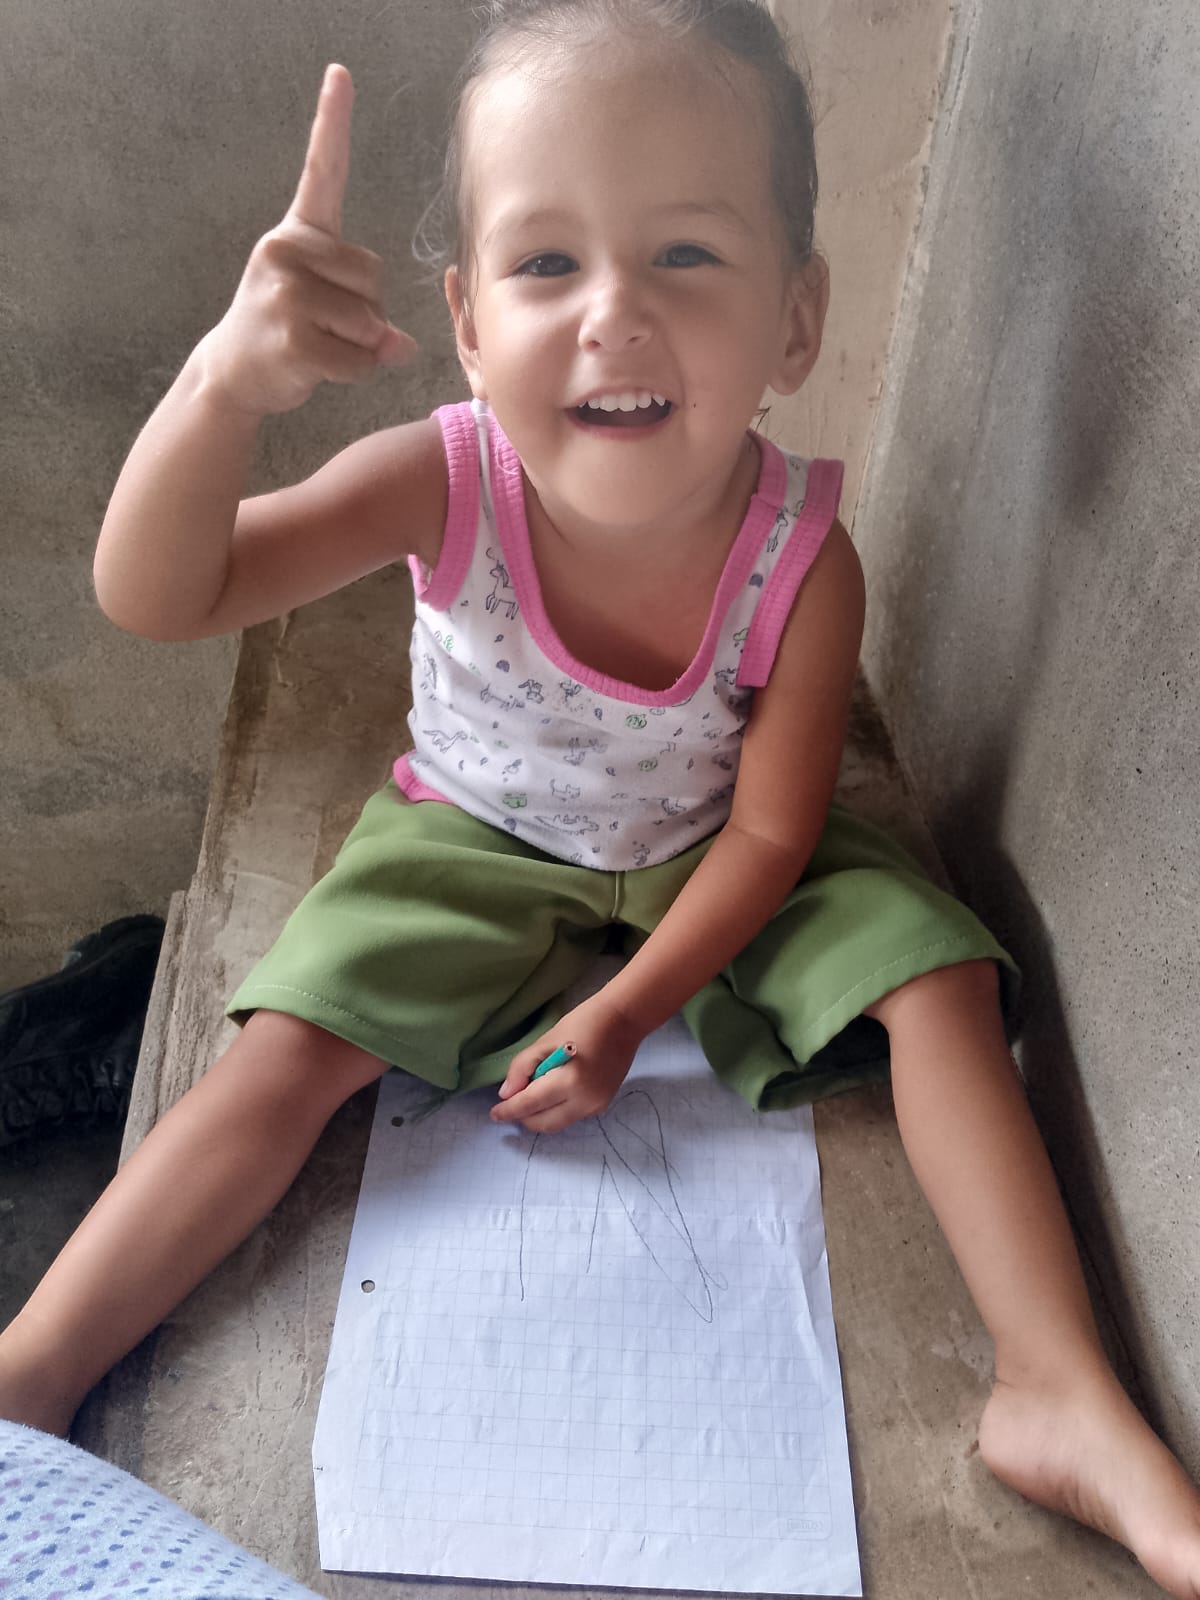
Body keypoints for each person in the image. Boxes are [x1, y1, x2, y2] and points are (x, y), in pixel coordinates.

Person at [1, 1, 1197, 1592]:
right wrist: (226, 384)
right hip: (467, 837)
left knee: (945, 980)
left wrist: (628, 1010)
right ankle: (33, 1376)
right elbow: (164, 593)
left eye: (686, 254)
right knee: (283, 1048)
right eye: (547, 261)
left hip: (720, 850)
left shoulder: (803, 558)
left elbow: (773, 830)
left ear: (796, 319)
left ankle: (1057, 1389)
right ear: (468, 319)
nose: (614, 314)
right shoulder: (442, 476)